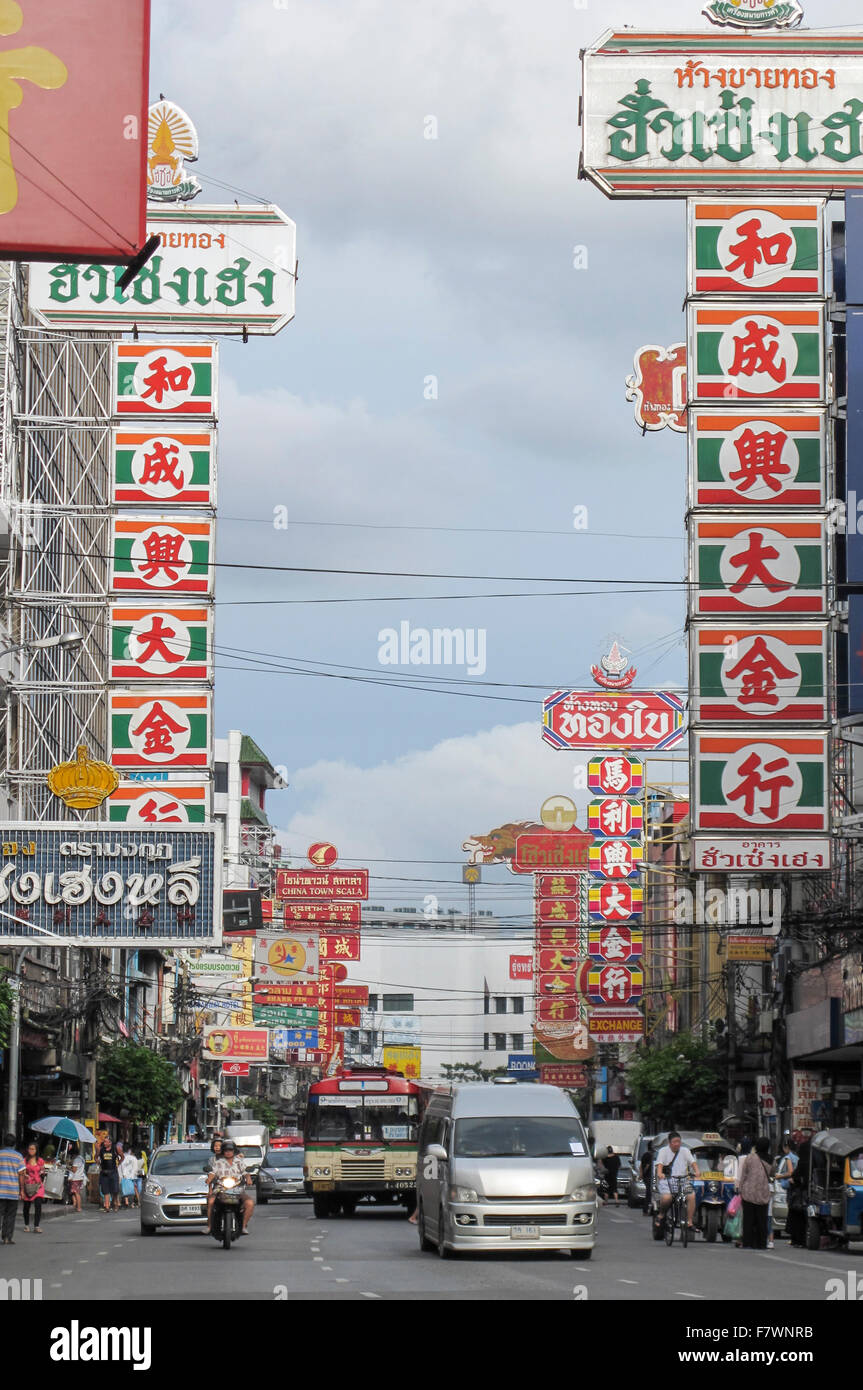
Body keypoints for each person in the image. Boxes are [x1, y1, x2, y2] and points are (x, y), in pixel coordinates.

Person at [656, 1131, 701, 1235]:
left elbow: (693, 1163)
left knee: (691, 1195)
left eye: (678, 1141)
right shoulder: (663, 1151)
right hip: (668, 1180)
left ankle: (689, 1222)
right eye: (674, 1142)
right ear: (669, 1142)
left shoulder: (685, 1151)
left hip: (683, 1180)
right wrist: (659, 1173)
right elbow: (659, 1165)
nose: (677, 1144)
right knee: (667, 1198)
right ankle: (661, 1214)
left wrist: (697, 1171)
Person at [206, 1138, 254, 1236]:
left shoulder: (239, 1162)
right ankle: (210, 1226)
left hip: (237, 1189)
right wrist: (209, 1179)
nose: (228, 1152)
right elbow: (212, 1173)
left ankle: (243, 1226)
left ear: (234, 1151)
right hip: (221, 1188)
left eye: (230, 1150)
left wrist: (248, 1179)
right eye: (226, 1150)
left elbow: (245, 1172)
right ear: (223, 1152)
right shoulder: (218, 1162)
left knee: (249, 1203)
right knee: (211, 1201)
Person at [739, 1136, 772, 1250]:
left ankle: (748, 1242)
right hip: (763, 1193)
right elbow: (773, 1174)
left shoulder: (750, 1157)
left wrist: (740, 1188)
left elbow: (744, 1174)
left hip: (748, 1192)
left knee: (748, 1219)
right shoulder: (771, 1159)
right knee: (762, 1220)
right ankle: (761, 1243)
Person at [0, 1133, 25, 1245]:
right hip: (13, 1191)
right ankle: (7, 1237)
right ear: (14, 1143)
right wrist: (22, 1190)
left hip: (0, 1190)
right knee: (10, 1215)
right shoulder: (18, 1156)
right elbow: (21, 1175)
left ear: (4, 1142)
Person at [20, 1140, 45, 1233]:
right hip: (28, 1185)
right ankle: (26, 1225)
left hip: (38, 1185)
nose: (31, 1151)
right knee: (26, 1206)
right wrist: (25, 1174)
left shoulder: (40, 1160)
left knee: (38, 1205)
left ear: (36, 1150)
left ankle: (36, 1225)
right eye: (29, 1149)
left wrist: (42, 1173)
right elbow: (21, 1172)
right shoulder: (24, 1160)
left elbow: (42, 1172)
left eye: (33, 1149)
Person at [204, 1137, 223, 1232]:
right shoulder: (212, 1160)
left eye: (220, 1146)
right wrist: (210, 1190)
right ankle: (209, 1225)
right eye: (216, 1146)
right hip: (218, 1186)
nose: (218, 1148)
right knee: (211, 1202)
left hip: (233, 1187)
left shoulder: (230, 1157)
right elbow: (210, 1174)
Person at [98, 1137, 121, 1213]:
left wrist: (119, 1163)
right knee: (105, 1190)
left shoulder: (115, 1149)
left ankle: (115, 1203)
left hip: (113, 1172)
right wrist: (99, 1163)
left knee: (115, 1190)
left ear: (110, 1143)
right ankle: (107, 1206)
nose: (104, 1143)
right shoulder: (101, 1150)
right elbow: (95, 1157)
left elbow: (122, 1156)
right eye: (104, 1142)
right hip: (104, 1172)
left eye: (106, 1142)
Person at [67, 1145, 86, 1213]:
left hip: (76, 1178)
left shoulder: (76, 1160)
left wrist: (68, 1167)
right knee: (74, 1192)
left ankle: (79, 1207)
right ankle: (75, 1205)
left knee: (76, 1193)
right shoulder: (81, 1158)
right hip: (80, 1177)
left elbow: (74, 1170)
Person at [640, 1141, 654, 1215]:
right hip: (649, 1176)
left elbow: (641, 1165)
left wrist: (641, 1175)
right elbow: (647, 1166)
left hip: (646, 1177)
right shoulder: (650, 1155)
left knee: (649, 1194)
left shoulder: (644, 1155)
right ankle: (647, 1210)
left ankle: (647, 1209)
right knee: (650, 1194)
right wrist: (644, 1172)